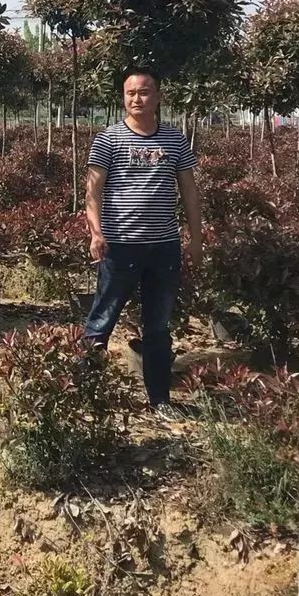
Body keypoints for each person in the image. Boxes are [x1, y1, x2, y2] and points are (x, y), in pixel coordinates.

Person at [82, 67, 202, 420]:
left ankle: (160, 399)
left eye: (145, 92)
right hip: (120, 247)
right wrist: (96, 232)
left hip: (164, 247)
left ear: (158, 97)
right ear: (123, 97)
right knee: (101, 320)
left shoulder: (175, 140)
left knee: (158, 326)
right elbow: (93, 192)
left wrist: (195, 239)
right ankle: (84, 392)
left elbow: (190, 193)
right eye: (131, 92)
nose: (137, 98)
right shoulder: (108, 140)